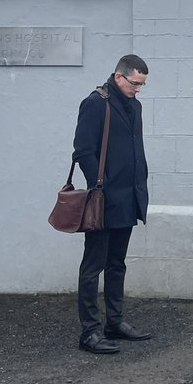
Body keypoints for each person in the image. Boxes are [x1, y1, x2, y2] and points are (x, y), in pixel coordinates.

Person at [72, 54, 152, 355]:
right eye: (135, 83)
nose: (138, 89)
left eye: (142, 85)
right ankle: (89, 332)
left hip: (129, 198)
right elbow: (82, 151)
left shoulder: (135, 105)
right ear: (119, 77)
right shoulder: (96, 103)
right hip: (103, 200)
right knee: (93, 266)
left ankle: (114, 322)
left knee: (117, 263)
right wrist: (99, 184)